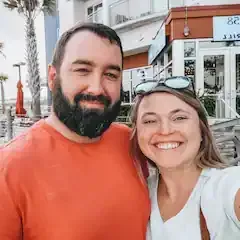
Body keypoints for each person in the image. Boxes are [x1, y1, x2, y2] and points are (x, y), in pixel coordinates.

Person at [0, 22, 150, 240]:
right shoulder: (9, 168)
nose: (97, 88)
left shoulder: (134, 142)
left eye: (110, 74)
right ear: (53, 78)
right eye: (82, 70)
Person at [130, 76, 240, 239]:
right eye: (150, 120)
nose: (165, 130)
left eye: (179, 118)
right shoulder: (138, 194)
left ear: (202, 129)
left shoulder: (226, 185)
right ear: (137, 134)